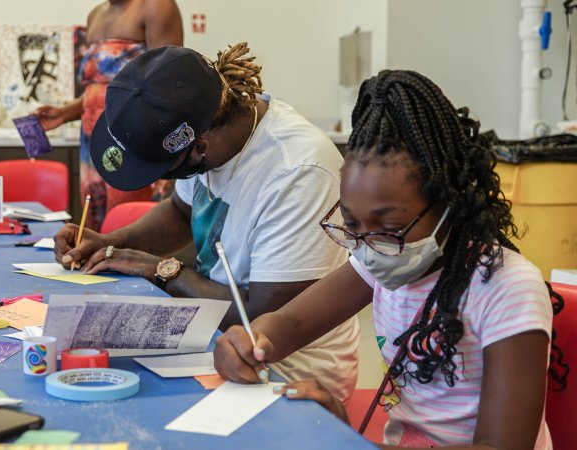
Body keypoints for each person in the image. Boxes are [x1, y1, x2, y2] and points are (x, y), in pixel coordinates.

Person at [214, 70, 564, 448]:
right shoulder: (380, 257)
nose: (368, 246)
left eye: (390, 226)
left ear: (448, 202)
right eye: (352, 226)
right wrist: (249, 343)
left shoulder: (506, 289)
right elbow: (293, 322)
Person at [54, 44, 360, 403]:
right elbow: (180, 213)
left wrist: (164, 270)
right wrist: (108, 244)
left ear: (200, 148)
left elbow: (263, 319)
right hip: (214, 335)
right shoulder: (203, 128)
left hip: (284, 373)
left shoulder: (298, 171)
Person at [36, 0, 183, 231]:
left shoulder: (155, 5)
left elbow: (167, 83)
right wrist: (63, 114)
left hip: (132, 139)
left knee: (127, 226)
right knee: (93, 223)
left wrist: (166, 155)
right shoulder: (95, 14)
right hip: (93, 139)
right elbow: (99, 89)